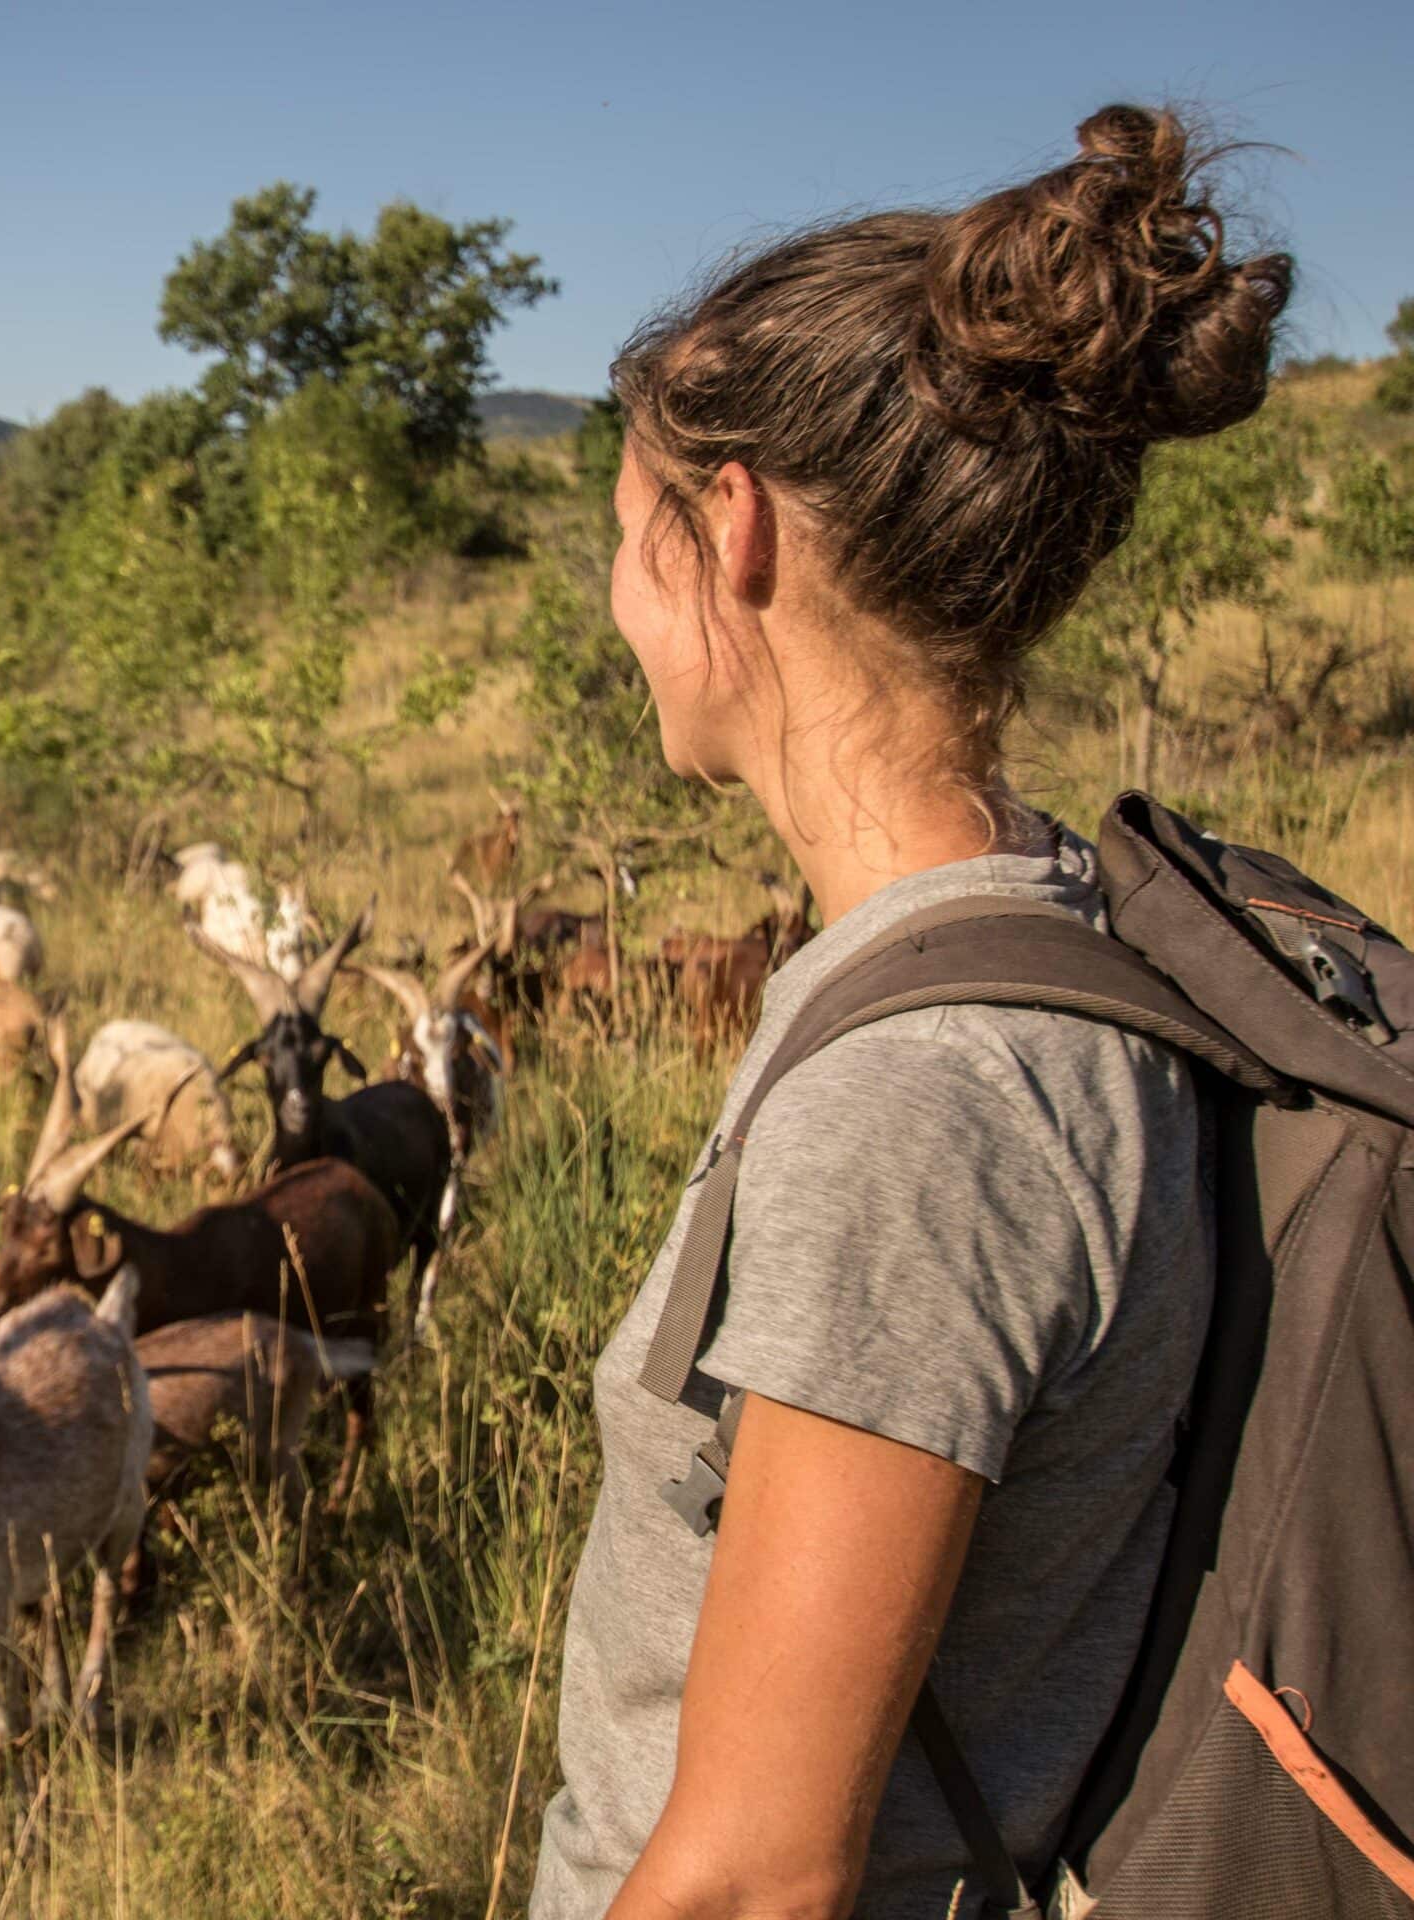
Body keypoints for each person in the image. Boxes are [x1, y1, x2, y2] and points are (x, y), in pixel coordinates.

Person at [530, 107, 1292, 1920]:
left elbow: (755, 1880)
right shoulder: (1049, 946)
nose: (619, 596)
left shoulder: (926, 1101)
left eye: (631, 528)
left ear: (736, 528)